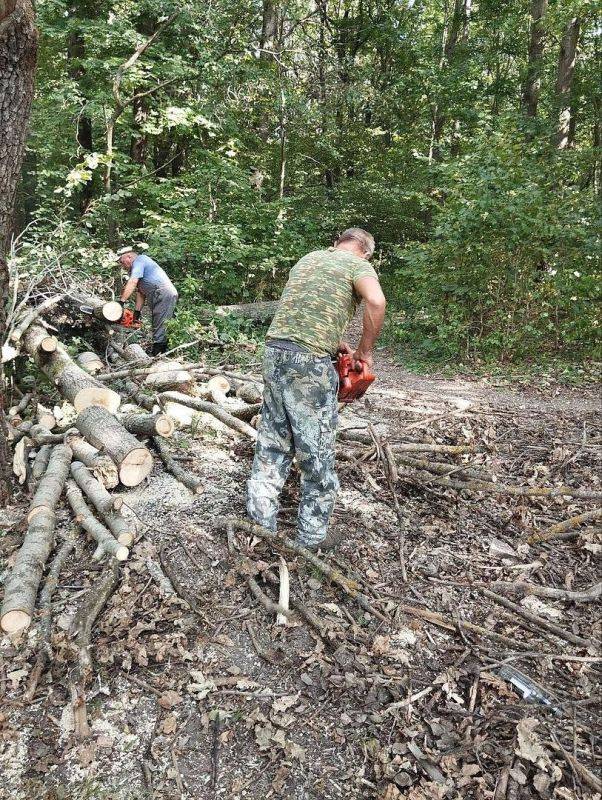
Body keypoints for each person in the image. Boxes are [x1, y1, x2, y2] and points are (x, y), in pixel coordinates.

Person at [247, 227, 386, 551]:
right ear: (365, 251)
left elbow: (302, 311)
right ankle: (311, 537)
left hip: (274, 352)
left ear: (337, 242)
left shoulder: (309, 260)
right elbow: (376, 301)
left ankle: (259, 523)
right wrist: (364, 353)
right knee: (317, 448)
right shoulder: (358, 265)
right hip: (308, 362)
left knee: (273, 439)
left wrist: (335, 343)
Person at [116, 246, 178, 355]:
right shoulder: (134, 269)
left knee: (160, 324)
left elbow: (133, 282)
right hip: (158, 294)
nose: (122, 265)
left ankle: (157, 354)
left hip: (163, 292)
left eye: (122, 261)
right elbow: (140, 292)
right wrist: (137, 313)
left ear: (129, 256)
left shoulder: (140, 261)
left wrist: (121, 302)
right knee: (160, 323)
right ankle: (162, 351)